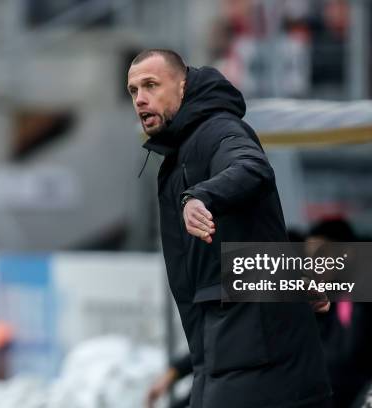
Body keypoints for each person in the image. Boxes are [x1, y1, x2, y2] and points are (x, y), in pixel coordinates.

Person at [128, 49, 331, 408]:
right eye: (133, 91)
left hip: (258, 348)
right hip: (231, 345)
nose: (141, 99)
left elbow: (252, 167)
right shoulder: (183, 150)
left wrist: (199, 197)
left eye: (151, 85)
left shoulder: (218, 129)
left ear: (183, 85)